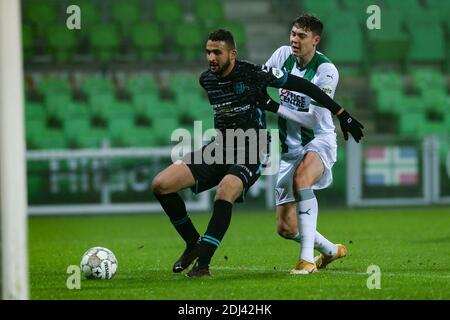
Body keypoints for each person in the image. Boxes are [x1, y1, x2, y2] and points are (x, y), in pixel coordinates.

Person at [151, 29, 363, 278]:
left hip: (252, 146)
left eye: (217, 52)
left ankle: (203, 264)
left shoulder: (254, 74)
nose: (211, 58)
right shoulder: (206, 79)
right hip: (220, 146)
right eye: (208, 52)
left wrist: (341, 114)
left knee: (226, 190)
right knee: (161, 184)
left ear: (232, 54)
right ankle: (193, 243)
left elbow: (304, 86)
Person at [260, 14, 353, 274]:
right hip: (289, 149)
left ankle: (306, 261)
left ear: (315, 40)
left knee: (303, 180)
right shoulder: (281, 56)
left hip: (318, 141)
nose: (294, 40)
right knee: (286, 229)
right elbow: (260, 81)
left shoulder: (326, 71)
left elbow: (313, 119)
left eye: (301, 36)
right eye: (293, 33)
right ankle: (331, 250)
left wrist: (273, 106)